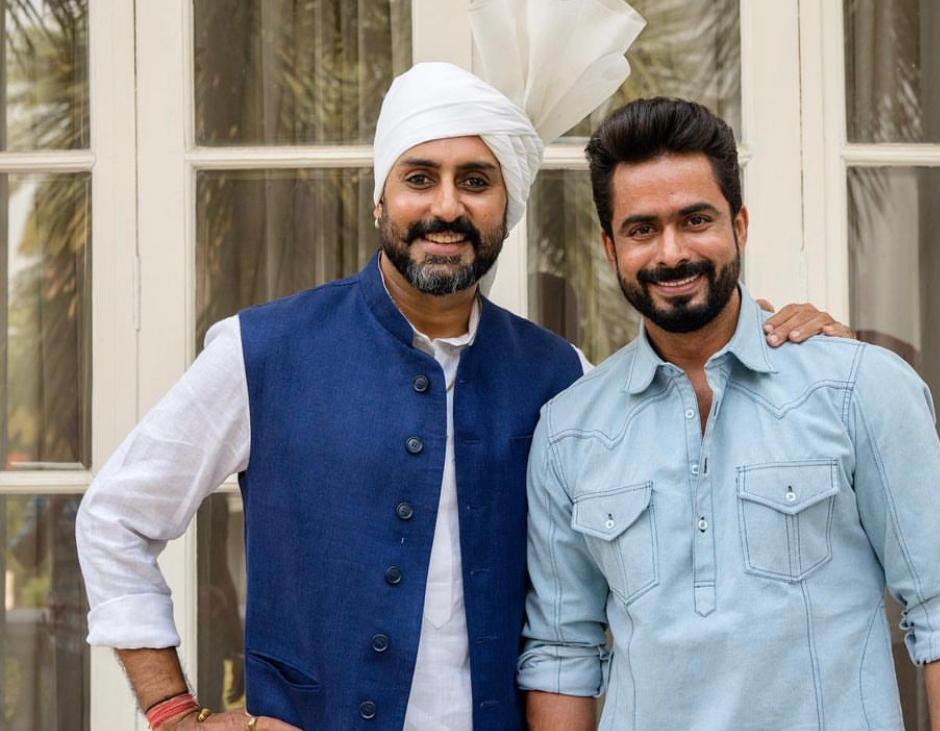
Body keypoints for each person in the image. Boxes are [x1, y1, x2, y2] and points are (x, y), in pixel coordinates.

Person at [75, 4, 848, 729]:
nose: (446, 206)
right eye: (420, 178)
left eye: (475, 182)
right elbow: (114, 517)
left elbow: (683, 523)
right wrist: (175, 713)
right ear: (380, 201)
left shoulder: (560, 375)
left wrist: (779, 349)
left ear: (506, 209)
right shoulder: (263, 350)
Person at [518, 97, 940, 731]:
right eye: (642, 230)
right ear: (611, 248)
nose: (672, 252)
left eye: (696, 220)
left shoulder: (859, 387)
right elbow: (562, 655)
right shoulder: (568, 431)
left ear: (740, 226)